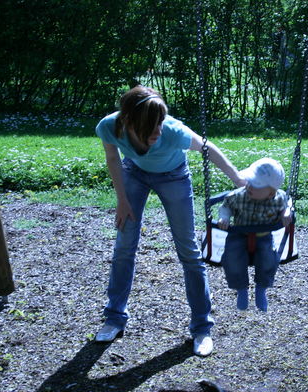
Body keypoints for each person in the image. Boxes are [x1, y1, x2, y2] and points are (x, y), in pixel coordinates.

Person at [94, 85, 245, 357]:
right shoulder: (110, 126)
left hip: (174, 176)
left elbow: (208, 148)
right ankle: (114, 318)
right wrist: (122, 200)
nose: (158, 132)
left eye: (160, 124)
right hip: (134, 174)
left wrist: (239, 180)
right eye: (152, 127)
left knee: (189, 251)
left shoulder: (173, 131)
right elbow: (113, 159)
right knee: (124, 245)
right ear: (129, 120)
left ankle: (202, 327)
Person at [217, 158, 292, 312]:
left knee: (269, 260)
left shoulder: (278, 199)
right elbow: (226, 207)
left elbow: (287, 205)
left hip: (263, 236)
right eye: (249, 181)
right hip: (238, 234)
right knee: (231, 259)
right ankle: (241, 289)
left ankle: (261, 289)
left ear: (271, 192)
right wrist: (224, 218)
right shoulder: (239, 195)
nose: (249, 186)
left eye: (255, 185)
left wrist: (286, 213)